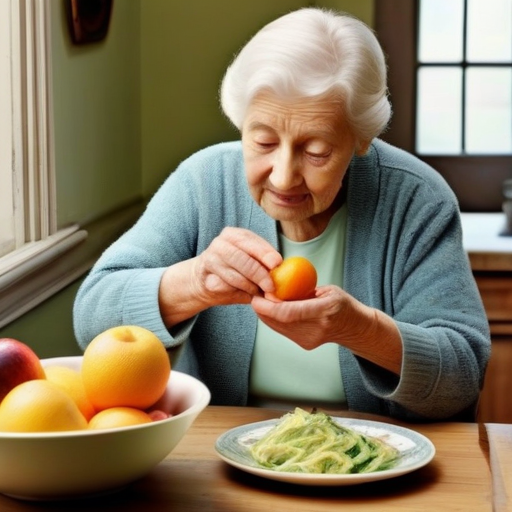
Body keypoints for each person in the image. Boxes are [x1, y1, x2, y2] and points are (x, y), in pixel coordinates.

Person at [73, 7, 490, 422]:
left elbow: (463, 378)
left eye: (317, 152)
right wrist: (196, 281)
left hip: (376, 465)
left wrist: (360, 330)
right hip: (219, 460)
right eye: (264, 142)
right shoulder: (204, 182)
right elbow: (93, 317)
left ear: (361, 139)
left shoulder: (416, 199)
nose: (284, 177)